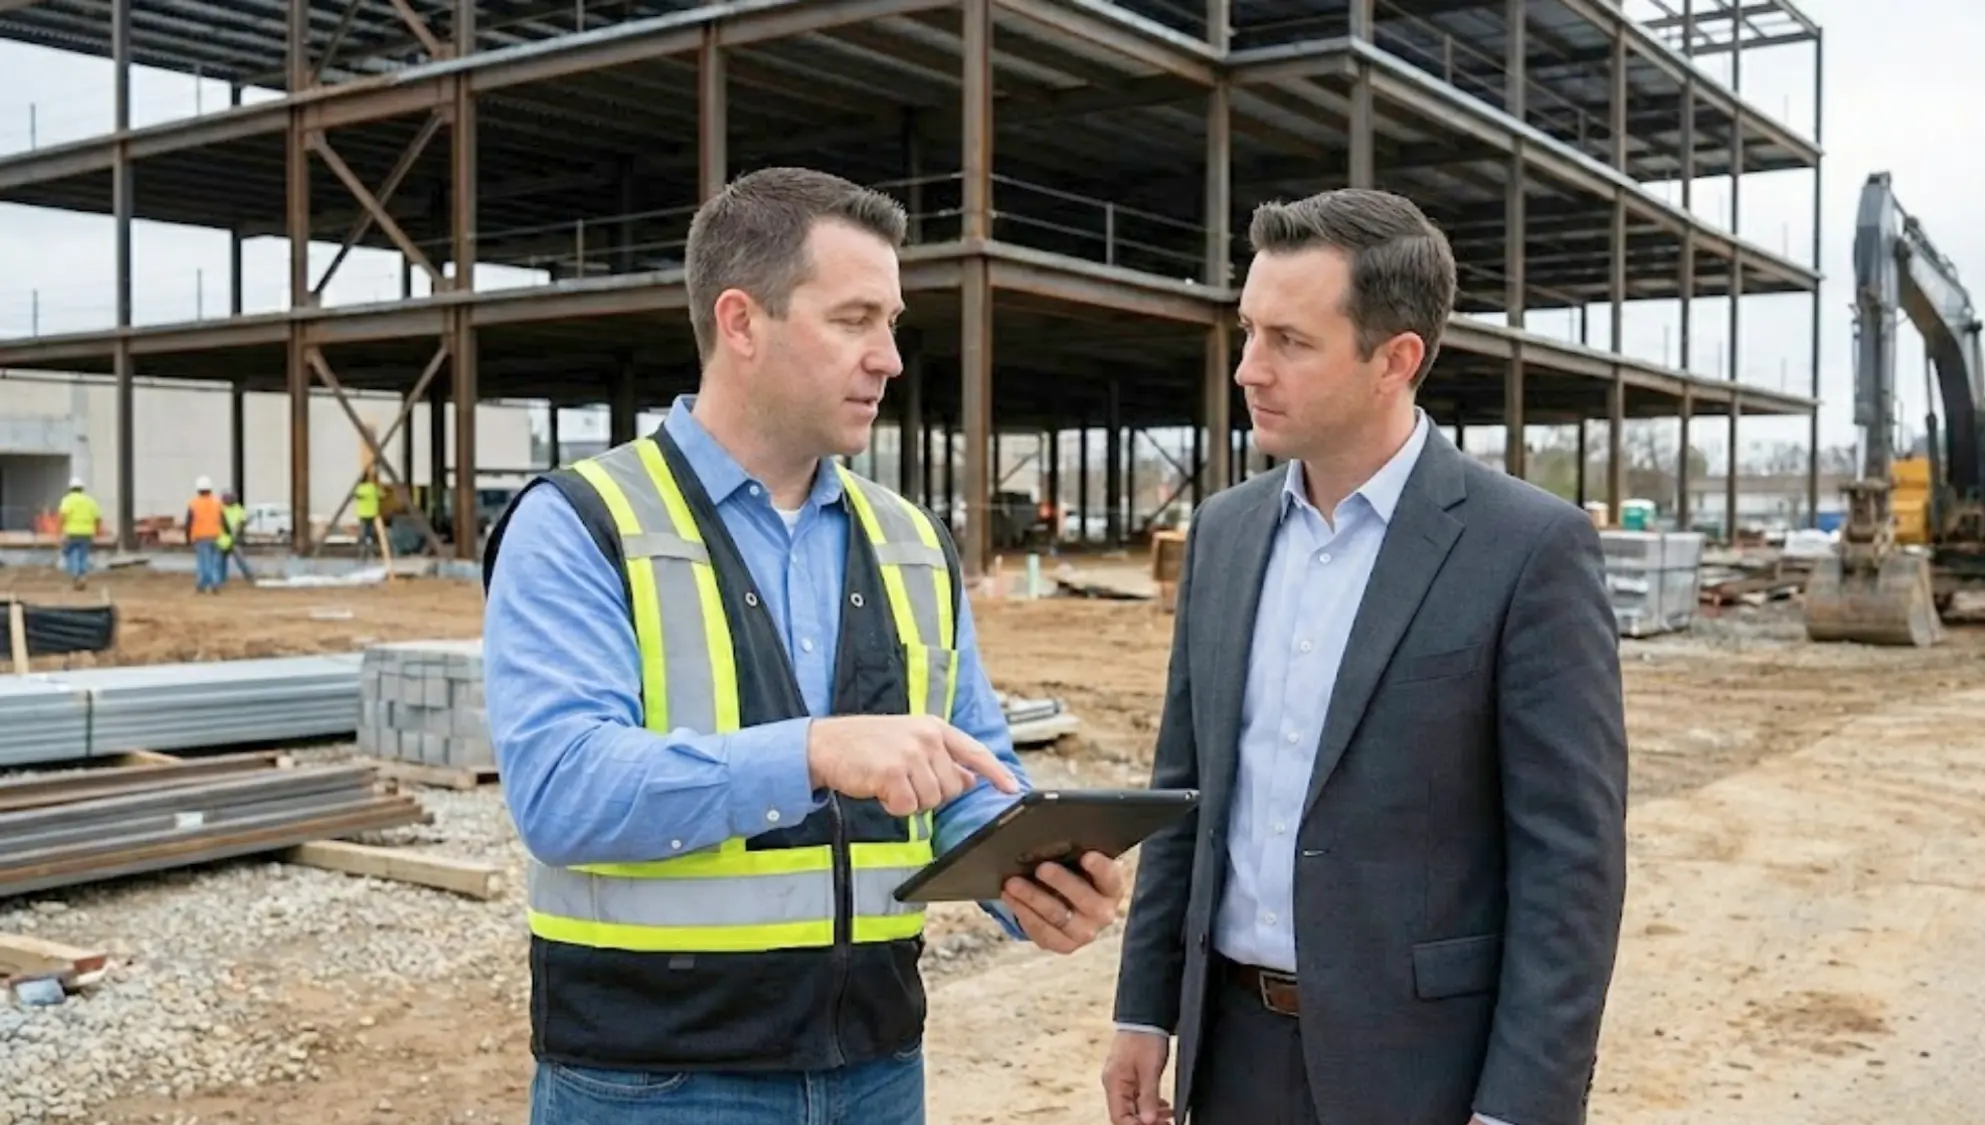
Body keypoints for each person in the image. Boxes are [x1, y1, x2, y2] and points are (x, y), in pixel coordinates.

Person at [480, 165, 1127, 1125]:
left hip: (877, 1066)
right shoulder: (583, 523)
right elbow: (563, 790)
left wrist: (1027, 872)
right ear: (741, 322)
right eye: (854, 320)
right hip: (656, 1080)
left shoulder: (911, 541)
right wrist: (816, 750)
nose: (889, 358)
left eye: (892, 322)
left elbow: (968, 774)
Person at [1101, 187, 1628, 1125]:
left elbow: (1569, 864)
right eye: (1249, 330)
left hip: (1422, 1072)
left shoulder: (1526, 549)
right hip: (1230, 1056)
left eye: (1290, 341)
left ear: (1396, 359)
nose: (1249, 368)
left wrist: (1521, 1107)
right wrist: (1145, 1007)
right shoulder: (1223, 534)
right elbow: (1183, 797)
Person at [55, 477, 100, 589]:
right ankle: (82, 575)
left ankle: (75, 575)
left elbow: (62, 516)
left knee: (69, 553)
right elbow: (97, 518)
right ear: (82, 488)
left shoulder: (67, 500)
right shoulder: (90, 501)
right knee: (83, 555)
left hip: (71, 533)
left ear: (70, 488)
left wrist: (59, 532)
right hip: (86, 533)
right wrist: (97, 532)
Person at [185, 476, 226, 594]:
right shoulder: (217, 502)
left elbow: (189, 522)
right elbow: (223, 519)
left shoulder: (194, 503)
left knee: (203, 562)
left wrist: (187, 538)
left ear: (198, 490)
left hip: (200, 537)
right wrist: (227, 532)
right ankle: (215, 583)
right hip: (215, 536)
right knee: (215, 561)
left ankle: (202, 584)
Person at [218, 491, 255, 583]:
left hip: (233, 539)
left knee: (241, 560)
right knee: (221, 562)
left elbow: (243, 520)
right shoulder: (220, 508)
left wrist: (242, 524)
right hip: (221, 539)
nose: (228, 500)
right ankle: (221, 579)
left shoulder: (238, 509)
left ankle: (249, 576)